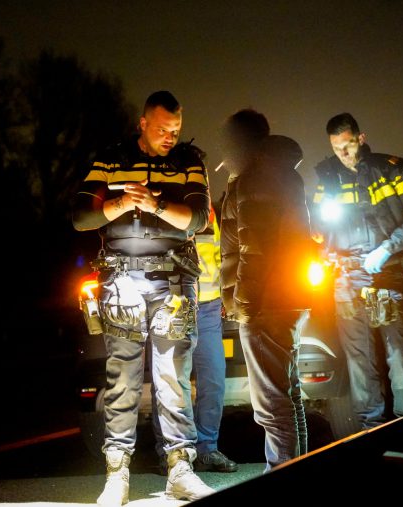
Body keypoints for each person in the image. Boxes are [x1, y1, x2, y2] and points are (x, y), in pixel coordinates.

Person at [72, 90, 215, 506]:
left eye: (176, 130)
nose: (171, 137)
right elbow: (81, 217)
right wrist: (120, 203)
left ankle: (180, 469)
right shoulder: (110, 160)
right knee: (123, 378)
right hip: (121, 281)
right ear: (143, 123)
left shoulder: (189, 162)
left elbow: (199, 219)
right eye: (163, 129)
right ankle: (117, 474)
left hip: (173, 282)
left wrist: (156, 203)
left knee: (173, 377)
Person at [311, 112, 403, 430]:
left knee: (398, 353)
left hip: (388, 273)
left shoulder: (393, 169)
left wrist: (388, 248)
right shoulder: (328, 180)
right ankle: (371, 429)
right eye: (336, 148)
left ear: (361, 138)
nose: (343, 154)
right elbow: (317, 228)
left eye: (348, 145)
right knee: (359, 360)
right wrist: (320, 245)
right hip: (347, 279)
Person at [219, 108, 312, 471]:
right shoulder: (279, 172)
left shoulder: (255, 177)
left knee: (272, 406)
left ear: (240, 143)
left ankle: (282, 482)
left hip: (266, 303)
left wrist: (243, 303)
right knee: (289, 398)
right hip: (287, 297)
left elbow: (254, 249)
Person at [150, 205, 238, 474]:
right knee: (170, 381)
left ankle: (207, 450)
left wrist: (225, 295)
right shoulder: (170, 204)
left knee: (214, 380)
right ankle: (170, 452)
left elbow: (220, 255)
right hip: (175, 303)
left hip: (209, 307)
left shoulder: (208, 210)